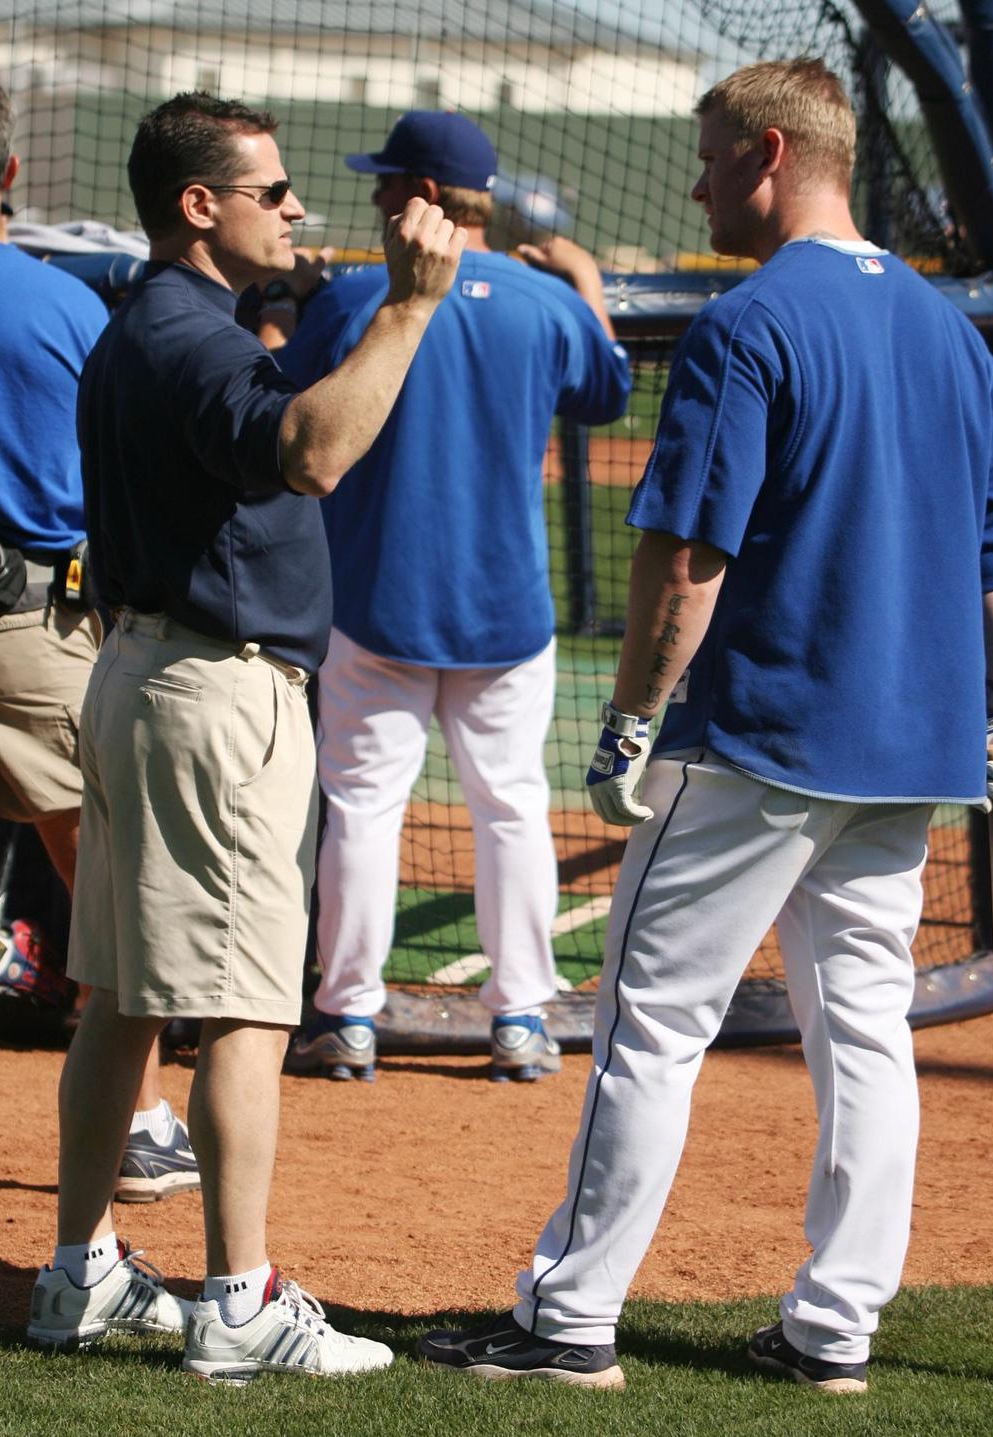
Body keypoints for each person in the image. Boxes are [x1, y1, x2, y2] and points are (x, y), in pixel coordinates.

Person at [417, 58, 993, 1392]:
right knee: (864, 1033)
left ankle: (568, 1320)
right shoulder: (951, 335)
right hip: (911, 756)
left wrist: (630, 718)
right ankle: (835, 1329)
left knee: (649, 1027)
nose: (697, 189)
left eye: (709, 161)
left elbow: (689, 558)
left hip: (759, 736)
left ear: (770, 152)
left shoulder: (750, 322)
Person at [26, 91, 465, 1379]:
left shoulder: (151, 324)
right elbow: (312, 453)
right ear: (199, 205)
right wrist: (408, 309)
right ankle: (238, 1304)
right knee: (244, 1008)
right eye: (271, 191)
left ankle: (79, 1277)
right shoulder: (188, 336)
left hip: (144, 675)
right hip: (214, 697)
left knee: (121, 999)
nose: (295, 208)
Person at [272, 111, 630, 1083]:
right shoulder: (544, 302)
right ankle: (521, 1017)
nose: (379, 196)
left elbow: (279, 397)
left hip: (374, 604)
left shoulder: (359, 298)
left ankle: (348, 1015)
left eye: (390, 181)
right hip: (506, 614)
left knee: (361, 809)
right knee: (512, 808)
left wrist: (295, 302)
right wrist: (588, 286)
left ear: (427, 194)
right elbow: (608, 393)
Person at [0, 67, 196, 1215]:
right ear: (8, 171)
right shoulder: (67, 306)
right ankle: (137, 1125)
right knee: (107, 874)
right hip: (31, 618)